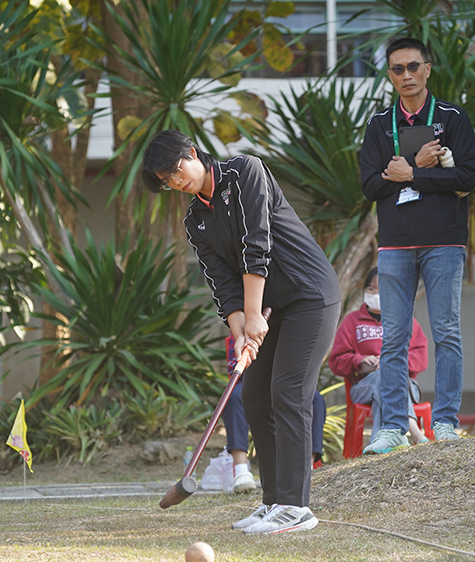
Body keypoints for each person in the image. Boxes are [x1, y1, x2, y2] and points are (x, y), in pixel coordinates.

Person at [142, 129, 341, 535]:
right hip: (265, 309)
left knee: (288, 392)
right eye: (167, 181)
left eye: (176, 171)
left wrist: (253, 315)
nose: (176, 182)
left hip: (308, 295)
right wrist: (241, 331)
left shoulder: (245, 171)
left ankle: (296, 507)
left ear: (192, 152)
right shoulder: (195, 221)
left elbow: (256, 245)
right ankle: (273, 501)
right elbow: (222, 283)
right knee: (254, 396)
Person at [359, 37, 475, 453]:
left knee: (447, 332)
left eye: (413, 66)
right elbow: (369, 185)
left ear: (427, 68)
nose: (407, 75)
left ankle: (445, 423)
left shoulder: (452, 118)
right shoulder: (380, 124)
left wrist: (409, 172)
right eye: (398, 69)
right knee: (393, 338)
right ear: (390, 75)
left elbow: (466, 178)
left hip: (444, 239)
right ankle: (393, 427)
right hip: (395, 244)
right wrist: (416, 167)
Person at [328, 267, 429, 445]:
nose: (375, 294)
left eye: (381, 288)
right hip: (363, 386)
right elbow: (336, 361)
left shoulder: (405, 321)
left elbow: (421, 357)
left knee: (387, 380)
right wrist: (359, 360)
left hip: (406, 385)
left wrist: (393, 363)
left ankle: (378, 447)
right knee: (384, 378)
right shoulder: (352, 321)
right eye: (370, 289)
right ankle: (414, 430)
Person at [221, 335, 328, 492]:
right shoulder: (244, 326)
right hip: (251, 379)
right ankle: (241, 470)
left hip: (286, 380)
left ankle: (307, 469)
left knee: (315, 400)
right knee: (234, 397)